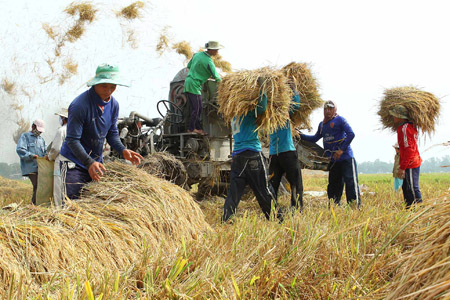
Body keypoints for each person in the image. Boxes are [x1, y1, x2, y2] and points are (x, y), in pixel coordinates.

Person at [57, 63, 143, 201]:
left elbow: (111, 133)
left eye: (112, 87)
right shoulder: (80, 105)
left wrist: (122, 150)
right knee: (70, 207)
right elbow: (72, 140)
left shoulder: (113, 105)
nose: (108, 91)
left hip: (96, 164)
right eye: (104, 86)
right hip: (74, 164)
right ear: (95, 84)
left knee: (92, 207)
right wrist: (88, 162)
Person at [222, 84, 282, 223]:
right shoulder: (247, 113)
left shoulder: (233, 117)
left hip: (237, 156)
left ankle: (226, 219)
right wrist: (264, 89)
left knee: (234, 192)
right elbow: (262, 107)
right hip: (252, 154)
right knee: (263, 189)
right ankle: (277, 219)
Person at [300, 100, 361, 208]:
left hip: (346, 158)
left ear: (335, 110)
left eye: (330, 109)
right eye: (325, 109)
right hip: (333, 160)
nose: (328, 111)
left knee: (350, 182)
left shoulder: (340, 120)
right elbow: (314, 138)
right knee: (334, 184)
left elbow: (351, 134)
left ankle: (354, 207)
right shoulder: (322, 125)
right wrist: (299, 135)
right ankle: (334, 206)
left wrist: (341, 149)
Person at [269, 86, 303, 210]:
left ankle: (272, 210)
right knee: (296, 183)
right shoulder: (283, 113)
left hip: (273, 154)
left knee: (272, 184)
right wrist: (294, 88)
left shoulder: (268, 116)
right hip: (287, 153)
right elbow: (296, 104)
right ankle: (297, 209)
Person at [183, 40, 223, 135]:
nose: (217, 52)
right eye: (216, 50)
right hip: (194, 85)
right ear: (211, 50)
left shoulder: (197, 55)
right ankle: (192, 128)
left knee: (197, 108)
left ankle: (197, 128)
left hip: (188, 82)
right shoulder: (209, 62)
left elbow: (189, 66)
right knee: (197, 109)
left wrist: (201, 73)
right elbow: (217, 77)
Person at [389, 105, 422, 208]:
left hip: (411, 163)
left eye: (395, 116)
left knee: (412, 187)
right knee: (406, 187)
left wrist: (402, 167)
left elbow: (408, 149)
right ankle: (409, 209)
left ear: (401, 117)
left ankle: (419, 210)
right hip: (409, 161)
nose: (393, 118)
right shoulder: (408, 127)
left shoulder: (405, 128)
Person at [16, 119, 47, 205]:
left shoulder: (41, 140)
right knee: (37, 184)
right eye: (38, 130)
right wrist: (32, 156)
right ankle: (34, 205)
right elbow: (20, 150)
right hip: (30, 167)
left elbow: (45, 152)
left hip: (40, 167)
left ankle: (37, 204)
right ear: (33, 127)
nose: (39, 133)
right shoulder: (25, 136)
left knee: (40, 185)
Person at [46, 108, 68, 207]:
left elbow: (55, 148)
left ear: (63, 118)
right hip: (75, 164)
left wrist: (50, 157)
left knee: (59, 188)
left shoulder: (62, 130)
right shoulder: (77, 129)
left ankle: (59, 210)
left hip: (61, 162)